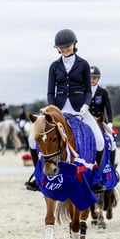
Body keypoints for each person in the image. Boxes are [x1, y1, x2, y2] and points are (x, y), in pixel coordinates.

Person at [25, 29, 105, 193]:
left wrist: (85, 105)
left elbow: (88, 90)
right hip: (58, 109)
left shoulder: (83, 64)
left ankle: (96, 178)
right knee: (32, 140)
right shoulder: (54, 66)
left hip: (79, 108)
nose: (65, 49)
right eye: (61, 47)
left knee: (100, 141)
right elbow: (50, 92)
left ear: (74, 45)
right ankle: (37, 175)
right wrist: (51, 109)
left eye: (67, 46)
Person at [89, 65, 117, 165]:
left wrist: (110, 122)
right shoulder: (83, 92)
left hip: (100, 121)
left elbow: (108, 109)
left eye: (94, 78)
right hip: (87, 121)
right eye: (90, 78)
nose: (92, 80)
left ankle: (112, 165)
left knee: (111, 140)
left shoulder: (103, 92)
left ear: (98, 78)